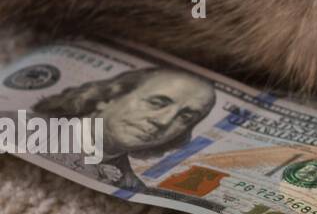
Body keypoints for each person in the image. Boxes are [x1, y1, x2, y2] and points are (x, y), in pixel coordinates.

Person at [32, 67, 216, 190]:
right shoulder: (11, 128)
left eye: (185, 117)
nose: (164, 121)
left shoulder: (132, 188)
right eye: (157, 103)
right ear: (110, 97)